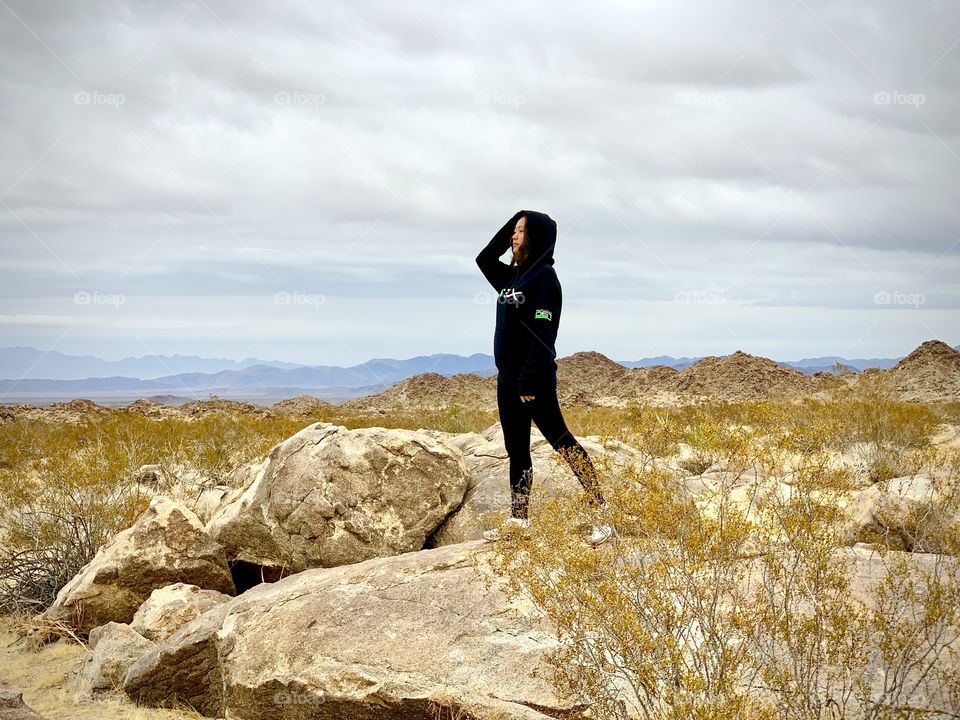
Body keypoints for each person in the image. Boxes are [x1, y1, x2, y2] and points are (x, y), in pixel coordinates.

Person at [476, 209, 613, 545]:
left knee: (563, 444)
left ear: (536, 237)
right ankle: (519, 521)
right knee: (517, 450)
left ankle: (602, 512)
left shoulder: (545, 278)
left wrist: (528, 381)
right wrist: (515, 219)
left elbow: (543, 333)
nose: (514, 236)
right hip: (507, 381)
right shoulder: (510, 277)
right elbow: (483, 258)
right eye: (514, 230)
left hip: (533, 381)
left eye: (521, 231)